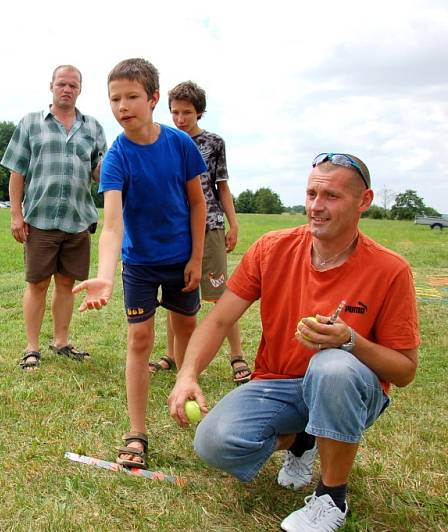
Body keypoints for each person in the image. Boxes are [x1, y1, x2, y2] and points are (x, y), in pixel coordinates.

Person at [167, 153, 420, 531]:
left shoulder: (390, 269)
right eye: (312, 194)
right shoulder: (273, 248)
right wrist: (187, 374)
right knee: (214, 442)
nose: (316, 206)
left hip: (349, 388)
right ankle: (306, 439)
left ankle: (330, 498)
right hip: (278, 383)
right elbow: (219, 319)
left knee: (331, 365)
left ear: (363, 201)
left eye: (331, 196)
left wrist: (350, 341)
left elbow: (404, 371)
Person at [73, 58, 207, 469]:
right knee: (139, 340)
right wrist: (106, 277)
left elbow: (197, 203)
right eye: (115, 99)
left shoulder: (180, 144)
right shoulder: (116, 158)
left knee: (186, 330)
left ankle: (189, 392)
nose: (122, 106)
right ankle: (137, 431)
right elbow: (112, 226)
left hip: (182, 258)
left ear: (152, 99)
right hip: (140, 264)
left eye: (132, 97)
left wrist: (197, 259)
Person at [1, 65, 107, 371]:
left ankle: (61, 342)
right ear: (51, 86)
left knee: (66, 284)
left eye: (73, 85)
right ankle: (31, 348)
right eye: (62, 84)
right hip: (41, 219)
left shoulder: (93, 128)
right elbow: (16, 171)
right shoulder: (31, 123)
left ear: (80, 90)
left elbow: (99, 171)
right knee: (37, 284)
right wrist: (16, 215)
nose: (67, 89)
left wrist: (113, 170)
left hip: (77, 219)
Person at [150, 81, 250, 384]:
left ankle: (237, 356)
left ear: (200, 113)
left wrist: (233, 223)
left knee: (221, 296)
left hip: (211, 228)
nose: (180, 119)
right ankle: (171, 354)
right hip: (176, 230)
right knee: (176, 294)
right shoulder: (163, 141)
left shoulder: (213, 143)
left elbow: (222, 186)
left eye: (187, 113)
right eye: (175, 112)